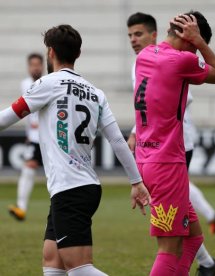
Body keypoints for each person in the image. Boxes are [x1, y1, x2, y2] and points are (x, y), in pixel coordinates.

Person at [0, 24, 150, 276]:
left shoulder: (47, 83)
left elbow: (7, 118)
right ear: (77, 54)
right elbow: (117, 141)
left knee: (79, 268)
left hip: (71, 188)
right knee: (52, 260)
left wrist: (137, 182)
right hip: (81, 186)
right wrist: (136, 181)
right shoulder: (95, 93)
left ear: (50, 52)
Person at [126, 12, 215, 275]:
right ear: (189, 38)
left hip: (146, 160)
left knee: (193, 238)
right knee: (168, 249)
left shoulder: (143, 56)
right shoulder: (183, 60)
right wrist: (201, 44)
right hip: (167, 163)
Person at [8, 53, 44, 221]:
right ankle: (21, 207)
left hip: (48, 137)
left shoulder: (48, 82)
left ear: (43, 66)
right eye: (32, 64)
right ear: (28, 67)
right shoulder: (25, 84)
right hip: (35, 138)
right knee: (28, 168)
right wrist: (29, 134)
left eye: (38, 64)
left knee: (54, 173)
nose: (35, 67)